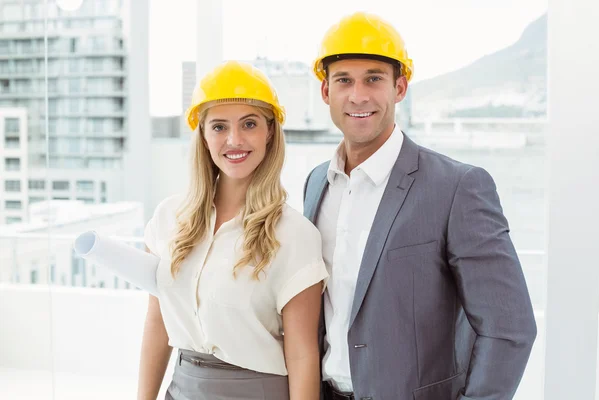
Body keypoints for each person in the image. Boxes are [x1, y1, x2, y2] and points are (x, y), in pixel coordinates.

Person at [303, 12, 537, 400]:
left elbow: (509, 329)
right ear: (326, 92)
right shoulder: (316, 183)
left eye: (373, 78)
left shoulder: (457, 187)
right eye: (344, 80)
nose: (358, 95)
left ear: (400, 87)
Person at [138, 60, 328, 400]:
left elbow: (302, 355)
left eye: (249, 124)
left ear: (270, 131)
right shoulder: (169, 218)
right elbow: (157, 324)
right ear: (203, 135)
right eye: (219, 127)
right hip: (181, 389)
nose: (234, 140)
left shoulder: (295, 234)